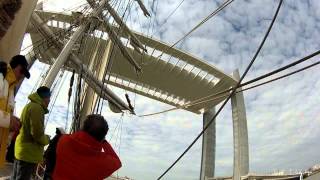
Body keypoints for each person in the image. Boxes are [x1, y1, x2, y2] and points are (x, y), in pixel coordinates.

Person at [53, 114, 121, 180]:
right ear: (102, 137)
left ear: (83, 127)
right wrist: (104, 142)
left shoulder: (63, 140)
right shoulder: (102, 163)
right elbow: (117, 162)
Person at [11, 86, 51, 180]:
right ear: (45, 97)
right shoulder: (37, 108)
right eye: (49, 98)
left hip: (23, 150)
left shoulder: (30, 105)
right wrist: (47, 139)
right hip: (28, 154)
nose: (49, 101)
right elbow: (37, 134)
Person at [0, 55, 30, 168]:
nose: (22, 76)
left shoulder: (10, 89)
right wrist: (8, 120)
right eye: (22, 72)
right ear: (17, 68)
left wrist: (11, 123)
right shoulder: (1, 78)